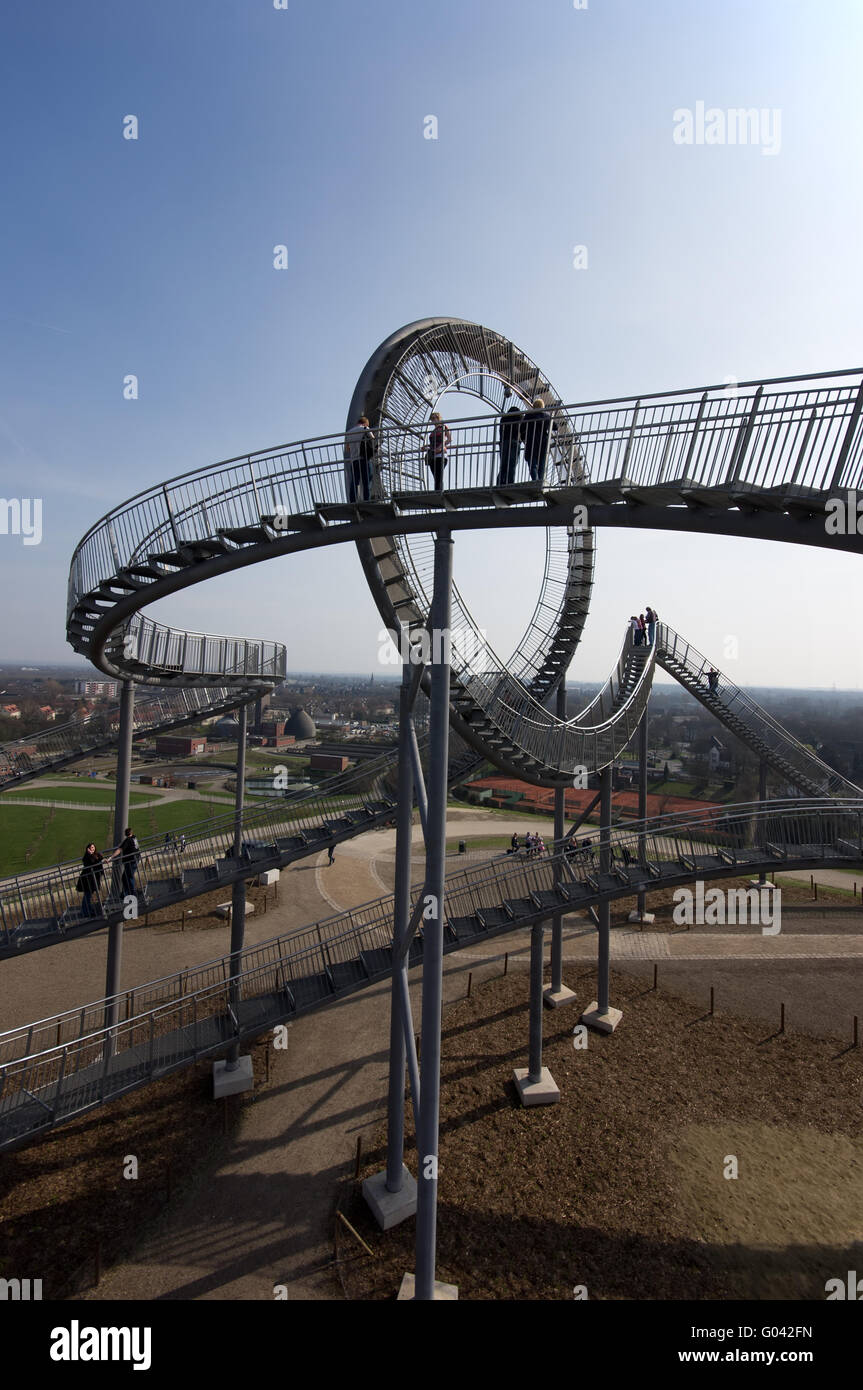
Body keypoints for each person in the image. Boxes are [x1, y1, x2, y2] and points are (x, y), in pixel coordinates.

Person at [520, 398, 554, 484]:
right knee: (542, 465)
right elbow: (555, 427)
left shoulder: (528, 416)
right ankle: (540, 482)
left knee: (532, 464)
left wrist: (524, 437)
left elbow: (521, 429)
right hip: (543, 444)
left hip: (531, 443)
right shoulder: (546, 416)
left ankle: (535, 480)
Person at [344, 415, 377, 502]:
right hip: (364, 458)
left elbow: (347, 449)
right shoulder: (365, 428)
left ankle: (352, 501)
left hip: (354, 460)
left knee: (354, 482)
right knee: (366, 481)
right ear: (365, 423)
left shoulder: (349, 432)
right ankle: (367, 500)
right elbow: (372, 438)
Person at [497, 396, 522, 486]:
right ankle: (510, 483)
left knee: (503, 464)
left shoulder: (504, 418)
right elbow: (523, 431)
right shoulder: (520, 417)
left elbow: (501, 431)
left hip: (504, 442)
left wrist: (501, 442)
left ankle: (499, 482)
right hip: (515, 442)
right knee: (512, 465)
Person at [77, 842, 105, 918]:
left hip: (93, 879)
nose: (92, 849)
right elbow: (90, 863)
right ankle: (86, 912)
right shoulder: (87, 857)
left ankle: (88, 910)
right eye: (90, 848)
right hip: (87, 880)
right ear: (87, 849)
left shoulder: (96, 855)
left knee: (88, 895)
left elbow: (100, 859)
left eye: (93, 847)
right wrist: (90, 854)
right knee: (87, 895)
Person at [425, 412, 451, 491]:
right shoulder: (433, 431)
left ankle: (438, 494)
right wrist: (427, 447)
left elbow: (448, 439)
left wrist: (441, 446)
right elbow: (433, 443)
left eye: (434, 418)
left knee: (439, 477)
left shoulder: (443, 427)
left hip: (440, 455)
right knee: (436, 477)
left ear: (438, 418)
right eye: (432, 419)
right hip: (433, 455)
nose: (433, 420)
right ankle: (438, 492)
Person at [116, 826, 140, 897]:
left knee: (129, 877)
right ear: (131, 833)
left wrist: (111, 857)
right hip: (135, 859)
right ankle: (126, 893)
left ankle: (132, 893)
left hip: (130, 861)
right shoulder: (134, 838)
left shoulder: (128, 840)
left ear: (125, 834)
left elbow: (120, 849)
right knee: (126, 877)